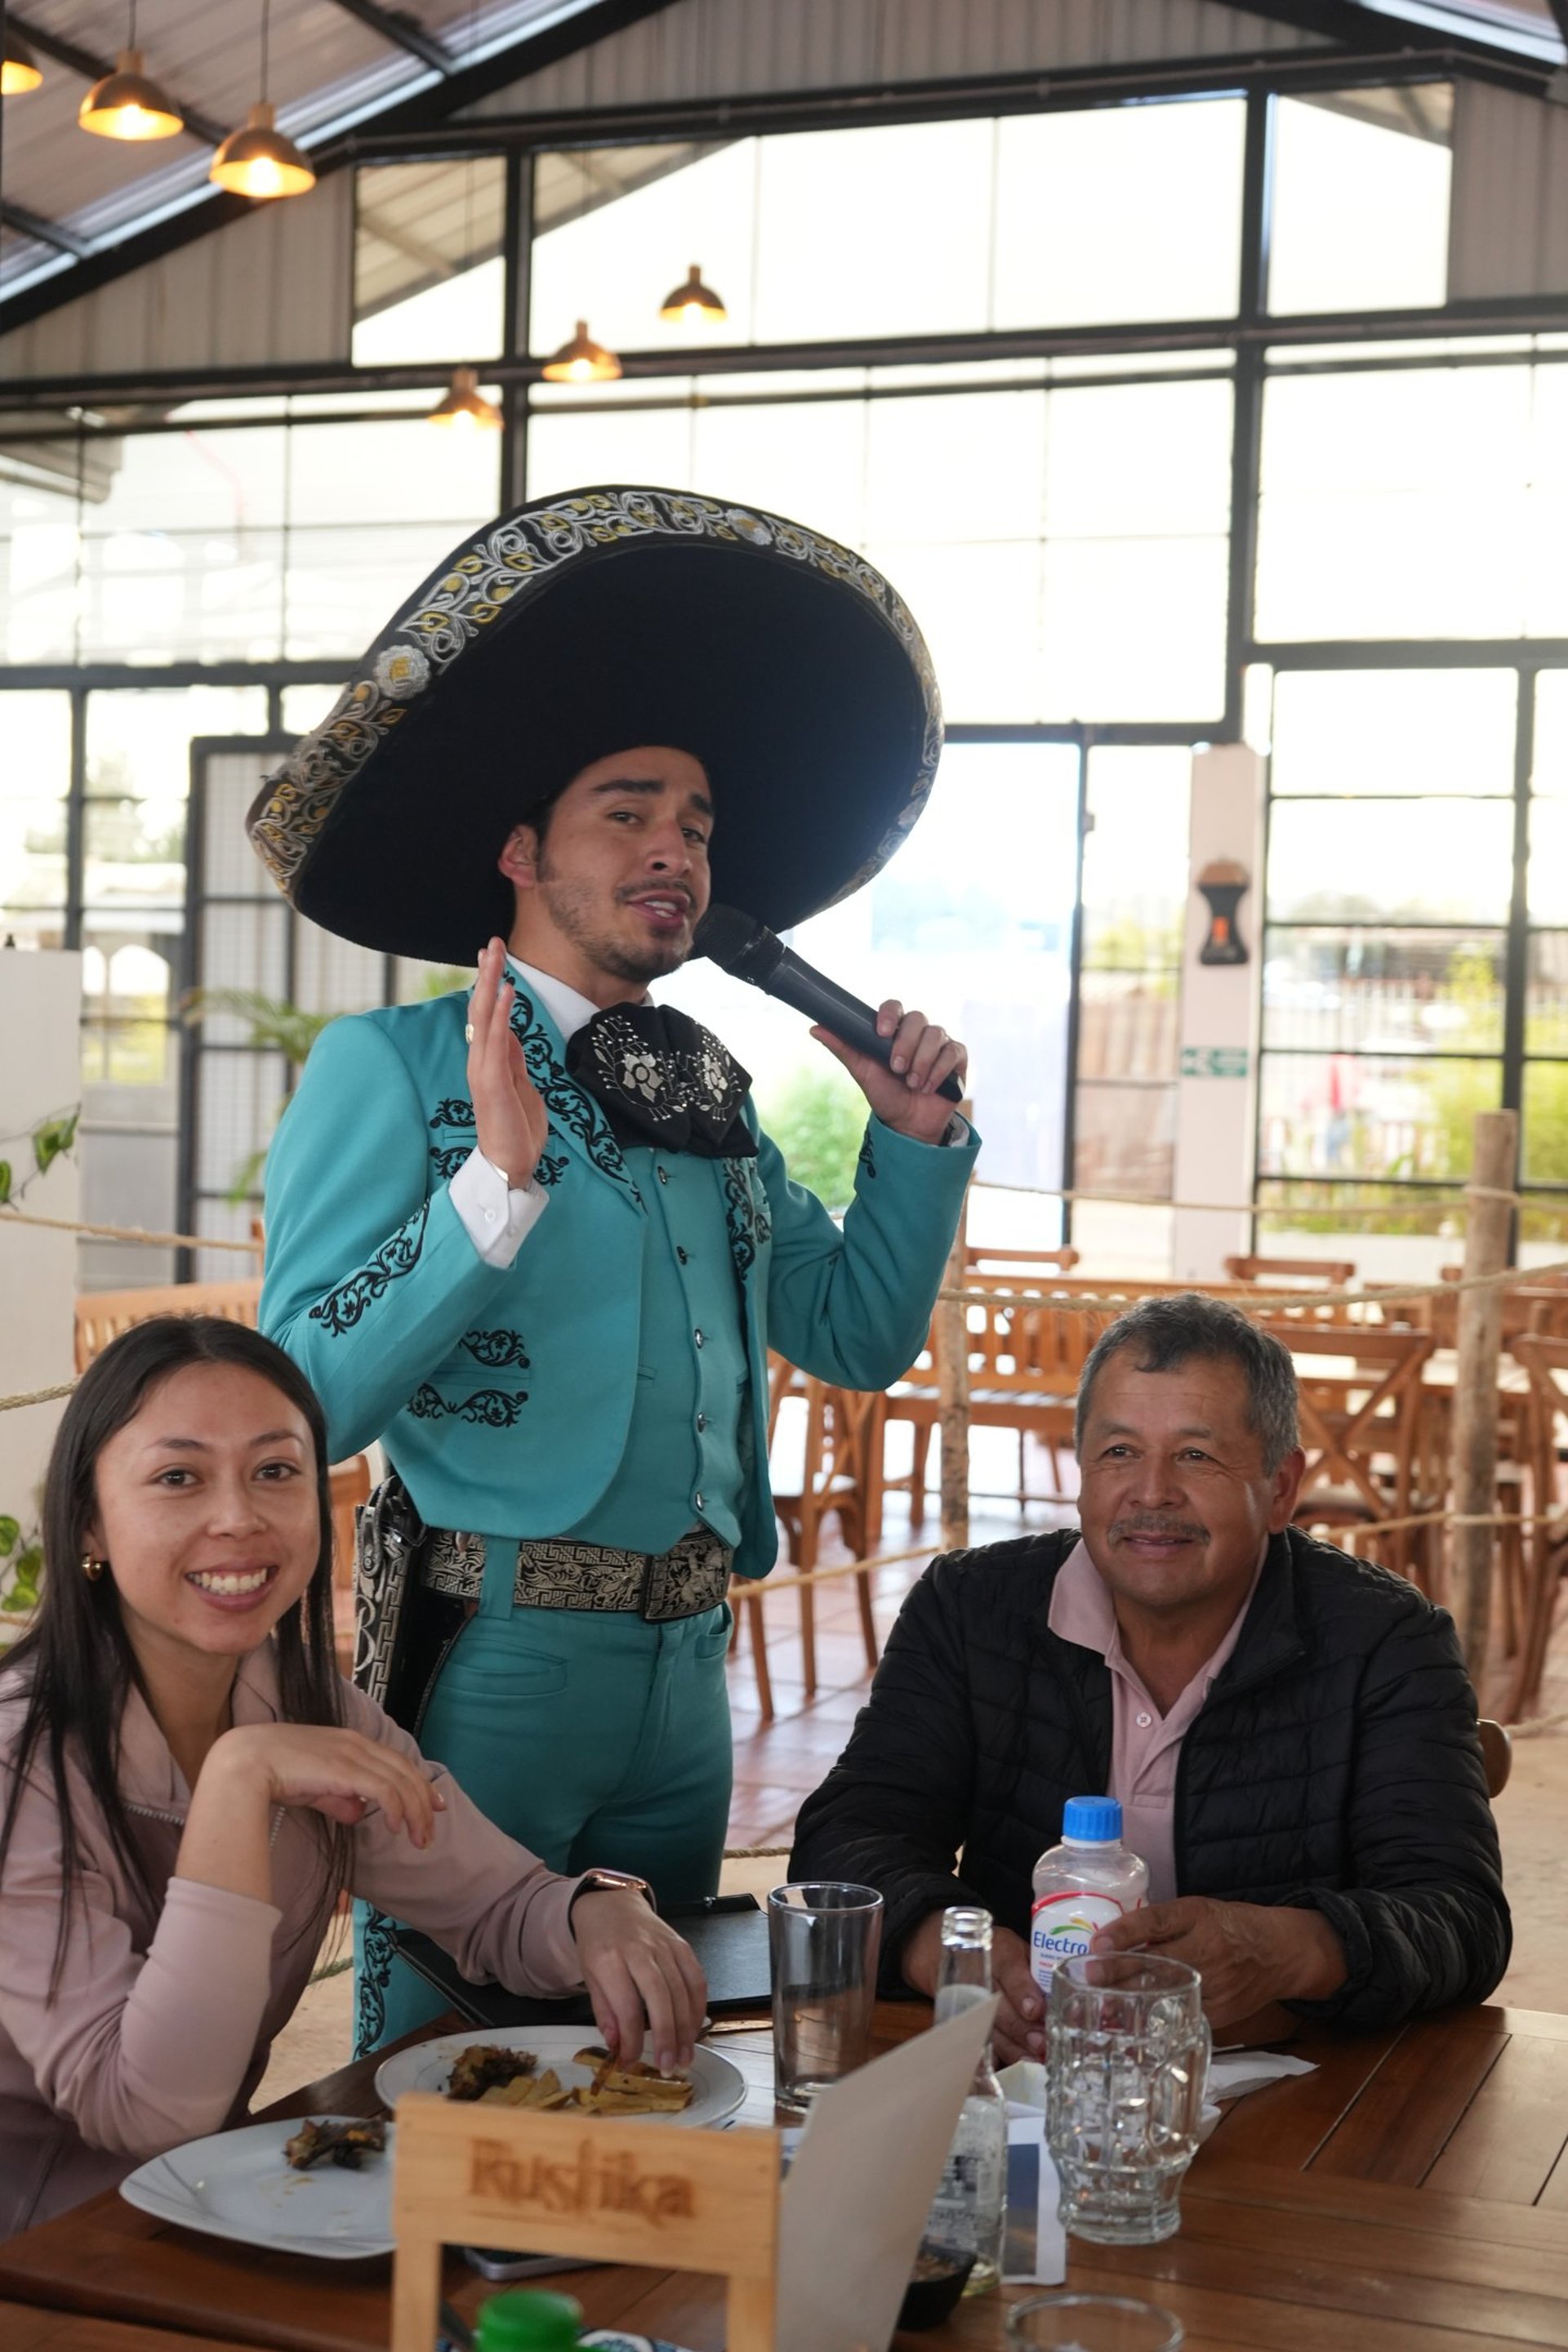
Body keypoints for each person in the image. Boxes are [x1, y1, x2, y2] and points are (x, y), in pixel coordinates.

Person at [249, 485, 979, 2051]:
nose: (675, 850)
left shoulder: (709, 1092)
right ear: (523, 851)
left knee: (652, 2062)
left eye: (697, 826)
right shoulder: (390, 1072)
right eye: (628, 814)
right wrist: (488, 1196)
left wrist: (913, 1144)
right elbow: (294, 1396)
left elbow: (856, 1335)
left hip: (686, 1671)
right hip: (491, 1661)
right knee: (446, 2069)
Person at [0, 1317, 706, 2239]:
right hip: (46, 2253)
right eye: (178, 1477)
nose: (239, 1517)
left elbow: (496, 1906)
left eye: (276, 1470)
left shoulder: (304, 1706)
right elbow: (146, 2111)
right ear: (88, 1519)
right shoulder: (20, 1763)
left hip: (211, 2211)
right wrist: (239, 1779)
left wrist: (595, 1910)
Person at [791, 1291, 1510, 2056]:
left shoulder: (1386, 1640)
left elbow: (1461, 1917)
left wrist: (1288, 1951)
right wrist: (953, 1953)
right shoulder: (970, 1608)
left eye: (1196, 1455)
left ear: (1280, 1487)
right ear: (1081, 1472)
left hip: (1297, 2083)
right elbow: (850, 1833)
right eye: (1119, 1452)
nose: (1152, 1492)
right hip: (1025, 2071)